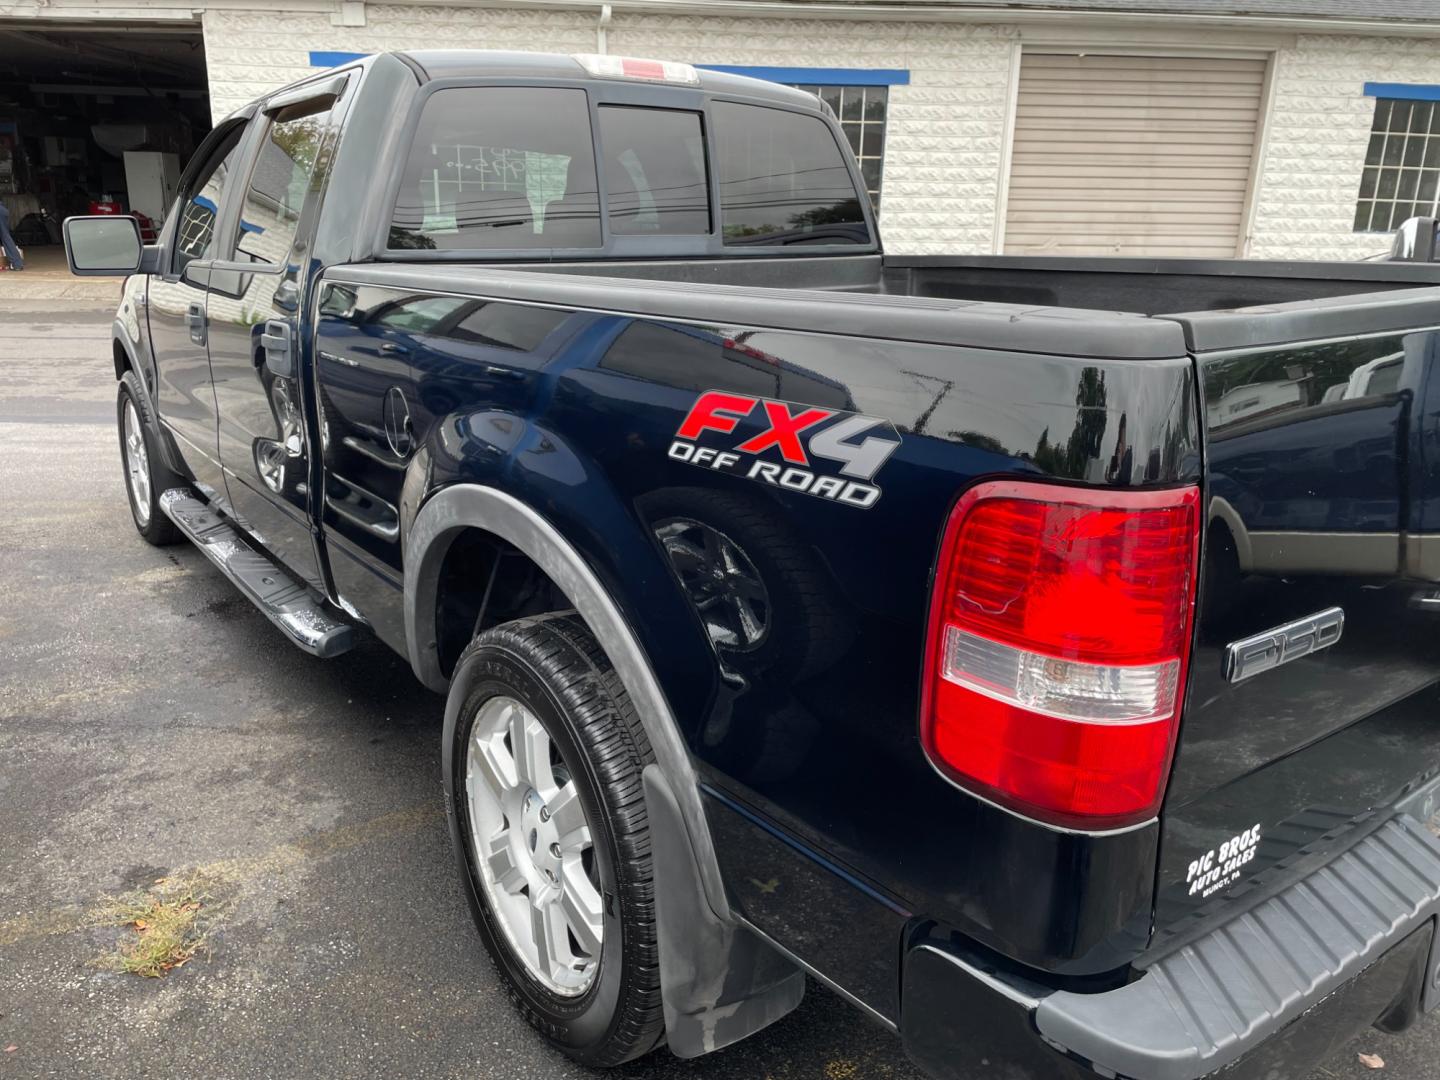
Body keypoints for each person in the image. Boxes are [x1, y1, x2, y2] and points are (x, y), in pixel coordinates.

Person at [0, 201, 24, 271]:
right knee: (5, 237)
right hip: (2, 210)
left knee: (5, 236)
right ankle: (17, 264)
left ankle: (17, 263)